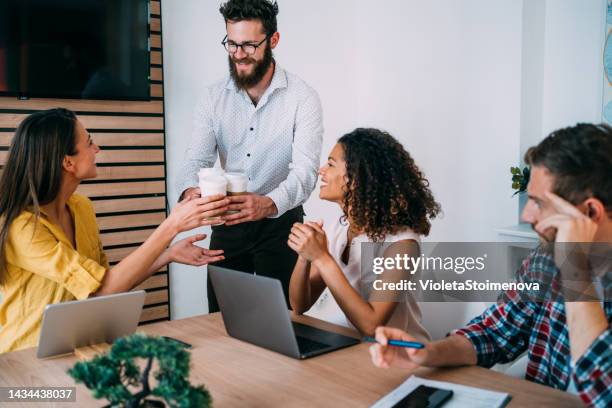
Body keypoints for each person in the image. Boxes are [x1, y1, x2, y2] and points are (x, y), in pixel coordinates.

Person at [369, 124, 612, 407]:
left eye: (538, 203)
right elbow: (494, 332)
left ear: (590, 211)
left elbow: (603, 394)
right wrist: (426, 352)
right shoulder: (546, 258)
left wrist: (576, 271)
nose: (526, 214)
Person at [0, 108, 230, 353]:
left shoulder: (81, 208)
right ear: (68, 162)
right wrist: (171, 225)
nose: (97, 149)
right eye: (89, 142)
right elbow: (102, 289)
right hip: (24, 359)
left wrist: (168, 255)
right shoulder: (22, 227)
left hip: (75, 348)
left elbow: (106, 285)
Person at [177, 0, 323, 312]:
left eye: (248, 45)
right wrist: (192, 191)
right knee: (222, 321)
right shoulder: (213, 96)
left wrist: (268, 203)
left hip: (282, 223)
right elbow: (196, 160)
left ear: (273, 40)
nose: (238, 54)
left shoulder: (303, 97)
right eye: (231, 43)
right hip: (228, 224)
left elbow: (306, 173)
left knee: (287, 319)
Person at [288, 128, 440, 339]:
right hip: (352, 347)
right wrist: (305, 256)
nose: (322, 170)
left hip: (398, 355)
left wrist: (322, 258)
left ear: (355, 177)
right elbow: (298, 305)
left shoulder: (402, 244)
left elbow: (371, 326)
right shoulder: (338, 229)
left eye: (331, 164)